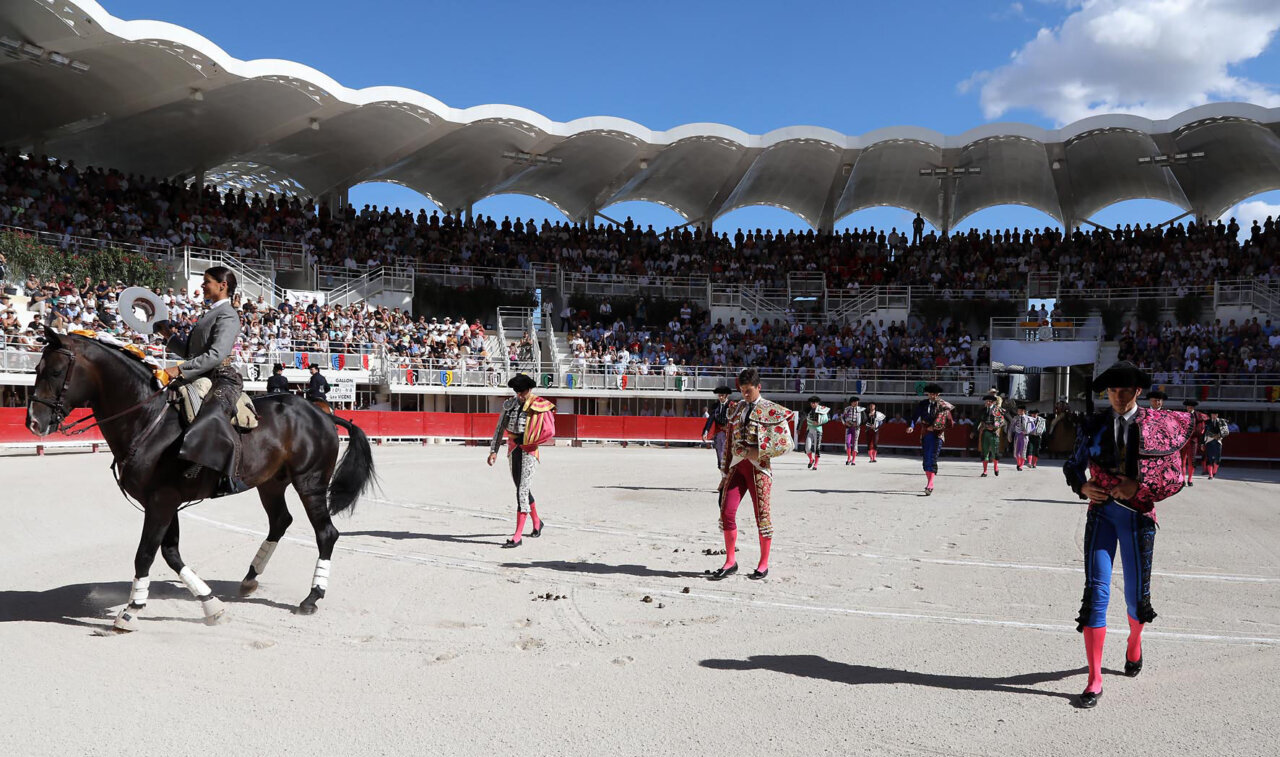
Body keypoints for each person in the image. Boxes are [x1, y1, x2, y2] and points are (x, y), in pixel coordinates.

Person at [1064, 361, 1191, 709]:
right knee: (1096, 593)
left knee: (1137, 598)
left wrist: (1141, 485)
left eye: (1125, 390)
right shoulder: (1093, 425)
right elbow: (1073, 465)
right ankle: (1094, 678)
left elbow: (1174, 478)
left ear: (1137, 392)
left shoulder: (1159, 425)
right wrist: (1082, 485)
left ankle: (1134, 643)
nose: (1118, 397)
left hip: (1138, 518)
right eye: (1112, 390)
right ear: (1107, 392)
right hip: (1101, 515)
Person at [157, 266, 247, 497]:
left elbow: (216, 355)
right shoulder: (210, 313)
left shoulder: (228, 314)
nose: (203, 286)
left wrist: (179, 369)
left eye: (206, 282)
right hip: (201, 374)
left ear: (222, 285)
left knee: (212, 415)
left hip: (222, 377)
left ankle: (226, 475)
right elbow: (191, 352)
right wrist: (169, 337)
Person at [710, 367, 794, 581]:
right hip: (737, 467)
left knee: (762, 518)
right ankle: (730, 561)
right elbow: (729, 441)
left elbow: (787, 444)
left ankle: (763, 564)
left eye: (748, 391)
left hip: (759, 468)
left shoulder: (770, 409)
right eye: (742, 390)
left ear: (759, 387)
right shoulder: (737, 408)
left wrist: (754, 452)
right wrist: (724, 470)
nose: (745, 395)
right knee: (726, 512)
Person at [487, 374, 555, 548]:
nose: (520, 395)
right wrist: (493, 451)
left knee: (522, 491)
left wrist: (528, 441)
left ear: (529, 389)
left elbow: (547, 430)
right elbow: (499, 428)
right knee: (521, 488)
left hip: (529, 450)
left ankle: (517, 536)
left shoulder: (538, 405)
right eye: (517, 392)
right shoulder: (509, 405)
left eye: (522, 392)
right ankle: (537, 522)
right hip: (512, 449)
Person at [907, 383, 954, 495]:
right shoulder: (923, 404)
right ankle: (929, 482)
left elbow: (950, 424)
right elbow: (914, 417)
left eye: (934, 394)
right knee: (926, 458)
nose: (932, 396)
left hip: (937, 434)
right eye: (930, 394)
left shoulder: (943, 405)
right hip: (925, 433)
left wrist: (936, 427)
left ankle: (930, 484)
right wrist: (911, 426)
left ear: (938, 394)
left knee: (932, 457)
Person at [701, 386, 735, 470]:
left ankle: (728, 471)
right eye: (719, 395)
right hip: (718, 433)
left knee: (727, 452)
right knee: (719, 453)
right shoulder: (715, 406)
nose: (720, 397)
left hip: (728, 433)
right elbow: (710, 419)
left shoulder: (732, 405)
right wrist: (705, 432)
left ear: (727, 396)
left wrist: (728, 426)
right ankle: (722, 471)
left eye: (722, 395)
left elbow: (735, 419)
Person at [798, 395, 831, 470]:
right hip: (809, 429)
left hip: (818, 430)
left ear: (817, 403)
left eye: (814, 403)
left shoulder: (822, 409)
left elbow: (826, 419)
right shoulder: (808, 409)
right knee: (807, 448)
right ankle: (811, 460)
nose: (812, 404)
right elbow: (802, 419)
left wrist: (819, 423)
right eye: (811, 403)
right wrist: (798, 428)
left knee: (817, 448)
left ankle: (816, 464)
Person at [1180, 399, 1207, 487]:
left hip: (1193, 441)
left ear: (1193, 407)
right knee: (1182, 461)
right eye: (1188, 406)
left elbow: (1202, 431)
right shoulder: (1181, 415)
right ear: (1186, 407)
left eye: (1191, 407)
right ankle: (1183, 479)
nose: (1189, 408)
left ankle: (1190, 479)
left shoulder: (1199, 416)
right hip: (1183, 441)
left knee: (1192, 461)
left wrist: (1202, 442)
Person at [977, 394, 1005, 478]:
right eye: (987, 401)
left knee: (995, 451)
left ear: (993, 402)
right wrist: (974, 431)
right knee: (984, 451)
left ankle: (995, 467)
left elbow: (1002, 421)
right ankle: (985, 471)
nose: (988, 402)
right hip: (985, 432)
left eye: (989, 401)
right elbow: (978, 420)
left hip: (993, 432)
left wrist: (994, 427)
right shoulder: (983, 410)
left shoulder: (998, 409)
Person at [1008, 404, 1037, 471]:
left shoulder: (1028, 418)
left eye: (1020, 410)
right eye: (1018, 410)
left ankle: (1021, 465)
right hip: (1017, 436)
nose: (1018, 411)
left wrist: (1027, 431)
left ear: (1023, 411)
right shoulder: (1015, 418)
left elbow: (1033, 427)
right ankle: (1018, 463)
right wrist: (1009, 436)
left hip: (1024, 437)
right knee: (1016, 451)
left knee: (1023, 451)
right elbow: (1011, 427)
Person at [1202, 410, 1229, 480]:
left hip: (1218, 440)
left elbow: (1225, 432)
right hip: (1209, 441)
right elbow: (1203, 433)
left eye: (1215, 414)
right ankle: (1210, 474)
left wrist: (1219, 436)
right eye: (1212, 414)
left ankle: (1214, 472)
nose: (1214, 416)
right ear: (1211, 415)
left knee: (1218, 458)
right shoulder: (1206, 422)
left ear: (1217, 415)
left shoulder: (1221, 421)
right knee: (1209, 458)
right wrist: (1202, 443)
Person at [840, 396, 865, 465]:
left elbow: (864, 419)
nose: (856, 403)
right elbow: (842, 417)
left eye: (857, 401)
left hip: (856, 428)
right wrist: (845, 423)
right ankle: (849, 458)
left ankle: (853, 460)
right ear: (851, 402)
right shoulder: (847, 409)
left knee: (855, 443)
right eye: (855, 401)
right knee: (848, 442)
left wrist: (858, 424)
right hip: (848, 428)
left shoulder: (860, 410)